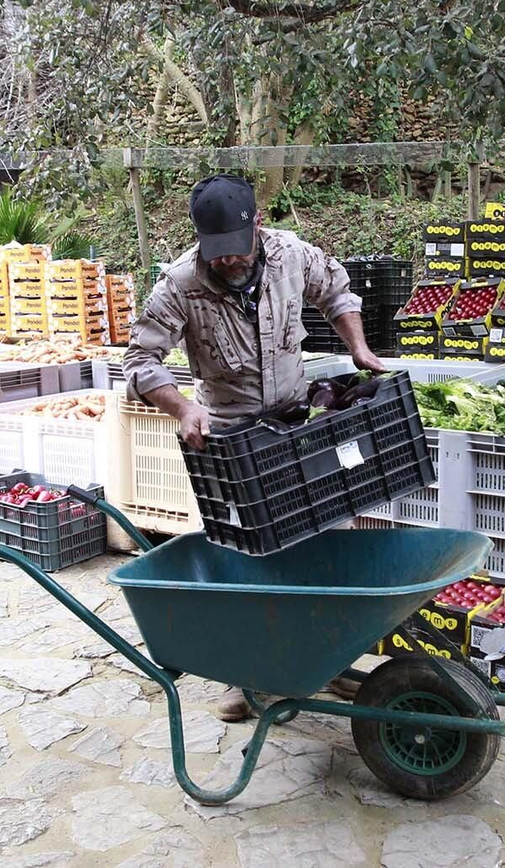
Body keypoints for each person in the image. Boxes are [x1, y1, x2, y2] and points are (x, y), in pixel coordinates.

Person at [123, 174, 386, 721]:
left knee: (325, 542)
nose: (227, 261)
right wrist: (182, 408)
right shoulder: (179, 283)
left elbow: (336, 292)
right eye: (215, 251)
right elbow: (140, 360)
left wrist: (359, 349)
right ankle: (244, 674)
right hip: (231, 439)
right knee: (245, 558)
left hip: (296, 424)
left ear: (257, 225)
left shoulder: (292, 255)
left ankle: (329, 659)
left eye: (235, 248)